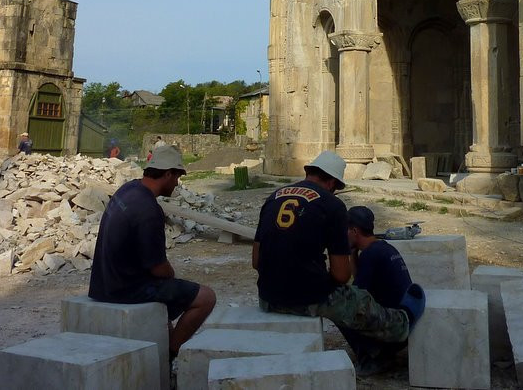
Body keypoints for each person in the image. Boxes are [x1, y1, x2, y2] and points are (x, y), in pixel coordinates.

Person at [252, 150, 424, 374]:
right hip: (304, 298)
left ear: (310, 172)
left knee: (338, 298)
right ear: (332, 182)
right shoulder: (332, 205)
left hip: (267, 297)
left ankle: (371, 354)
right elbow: (342, 275)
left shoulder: (273, 198)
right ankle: (402, 323)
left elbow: (256, 261)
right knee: (356, 300)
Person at [89, 145, 216, 358]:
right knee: (206, 297)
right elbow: (158, 268)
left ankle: (166, 341)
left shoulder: (128, 189)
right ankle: (170, 354)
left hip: (103, 281)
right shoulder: (148, 209)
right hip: (124, 288)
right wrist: (171, 275)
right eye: (177, 177)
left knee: (168, 294)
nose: (177, 184)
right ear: (167, 174)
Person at [344, 205, 414, 374]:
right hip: (405, 322)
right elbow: (360, 280)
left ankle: (374, 358)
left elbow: (355, 296)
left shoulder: (370, 255)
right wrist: (352, 253)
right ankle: (378, 352)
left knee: (341, 308)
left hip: (394, 331)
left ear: (354, 231)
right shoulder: (382, 247)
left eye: (345, 230)